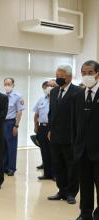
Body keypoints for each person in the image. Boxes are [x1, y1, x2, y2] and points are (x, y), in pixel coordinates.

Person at [69, 60, 99, 220]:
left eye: (90, 72)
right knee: (85, 184)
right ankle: (85, 215)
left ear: (97, 74)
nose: (86, 76)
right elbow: (75, 124)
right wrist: (75, 146)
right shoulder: (78, 96)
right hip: (81, 150)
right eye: (83, 73)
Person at [47, 65, 80, 204]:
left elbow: (79, 116)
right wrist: (50, 129)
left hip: (70, 136)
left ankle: (71, 192)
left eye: (61, 76)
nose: (58, 78)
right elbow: (52, 113)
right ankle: (61, 190)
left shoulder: (77, 91)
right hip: (55, 135)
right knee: (57, 164)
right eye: (56, 75)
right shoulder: (54, 91)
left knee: (71, 165)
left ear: (69, 77)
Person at [3, 78, 25, 176]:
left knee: (11, 146)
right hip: (1, 123)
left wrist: (16, 125)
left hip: (11, 123)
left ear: (13, 85)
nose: (7, 86)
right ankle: (4, 167)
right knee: (2, 146)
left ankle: (11, 168)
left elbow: (19, 112)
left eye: (9, 84)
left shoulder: (17, 97)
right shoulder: (2, 96)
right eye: (5, 84)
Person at [33, 81, 54, 181]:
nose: (49, 87)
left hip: (52, 128)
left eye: (52, 86)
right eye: (48, 86)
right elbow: (36, 114)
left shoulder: (57, 99)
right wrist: (36, 126)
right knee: (44, 151)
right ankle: (47, 173)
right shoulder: (41, 100)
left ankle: (54, 174)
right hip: (42, 128)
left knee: (53, 152)